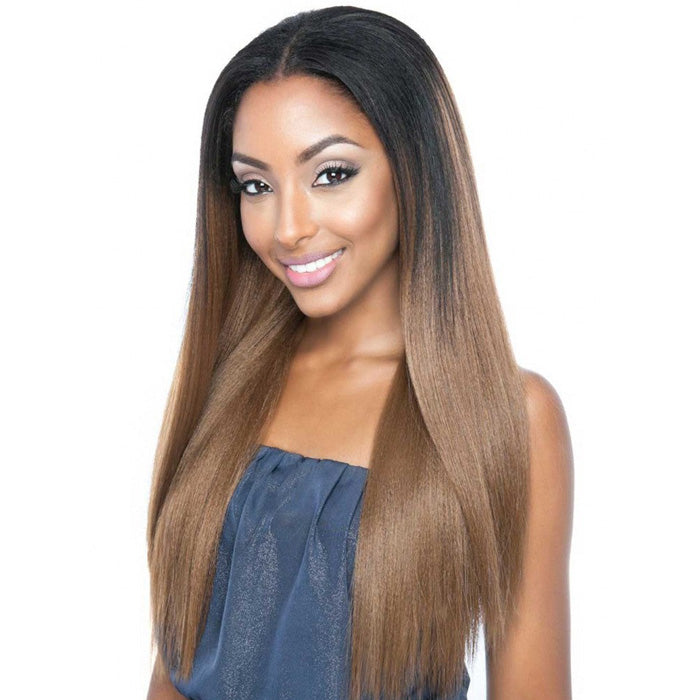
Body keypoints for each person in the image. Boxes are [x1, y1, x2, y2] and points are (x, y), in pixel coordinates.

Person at [146, 6, 574, 700]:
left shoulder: (509, 418)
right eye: (256, 186)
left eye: (331, 174)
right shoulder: (229, 383)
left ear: (416, 167)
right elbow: (177, 662)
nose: (287, 228)